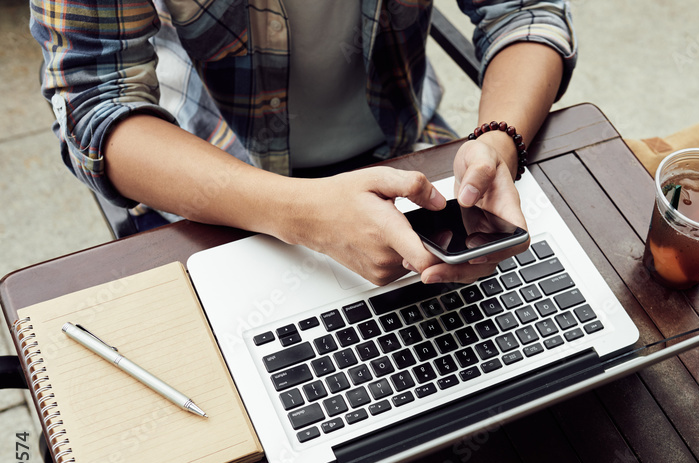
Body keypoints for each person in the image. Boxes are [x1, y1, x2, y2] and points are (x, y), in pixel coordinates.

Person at [29, 0, 576, 286]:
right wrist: (299, 212)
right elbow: (94, 100)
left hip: (408, 153)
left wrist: (500, 141)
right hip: (212, 190)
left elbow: (524, 9)